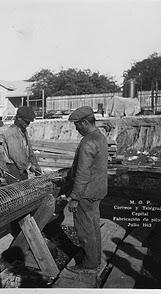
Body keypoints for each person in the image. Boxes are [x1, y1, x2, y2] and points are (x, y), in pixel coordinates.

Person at [65, 106, 108, 274]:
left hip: (86, 193)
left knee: (84, 229)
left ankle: (89, 264)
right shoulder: (100, 137)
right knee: (93, 225)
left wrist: (75, 197)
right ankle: (95, 258)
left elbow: (83, 173)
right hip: (98, 190)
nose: (76, 128)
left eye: (77, 124)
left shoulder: (88, 142)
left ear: (84, 122)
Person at [1, 106, 42, 183]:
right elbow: (17, 156)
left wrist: (35, 164)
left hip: (22, 168)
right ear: (19, 118)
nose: (28, 124)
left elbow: (29, 149)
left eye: (29, 122)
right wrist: (30, 167)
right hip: (14, 169)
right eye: (26, 122)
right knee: (16, 192)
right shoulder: (12, 133)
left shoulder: (23, 130)